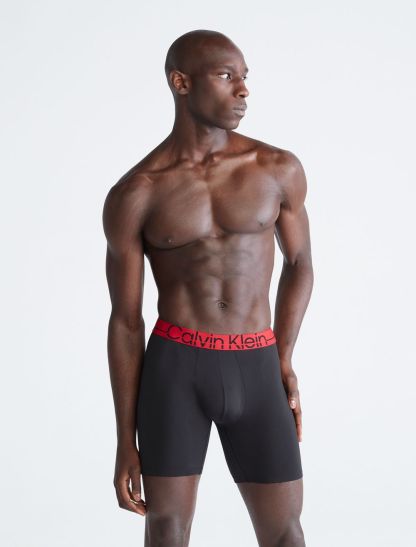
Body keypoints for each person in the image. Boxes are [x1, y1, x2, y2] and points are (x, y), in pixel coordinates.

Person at [102, 28, 314, 547]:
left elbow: (301, 264)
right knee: (166, 530)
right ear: (181, 83)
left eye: (244, 77)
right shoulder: (137, 192)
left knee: (285, 533)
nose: (243, 90)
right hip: (176, 370)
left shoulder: (277, 169)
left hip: (257, 362)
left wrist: (283, 356)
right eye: (225, 76)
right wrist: (125, 438)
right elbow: (126, 321)